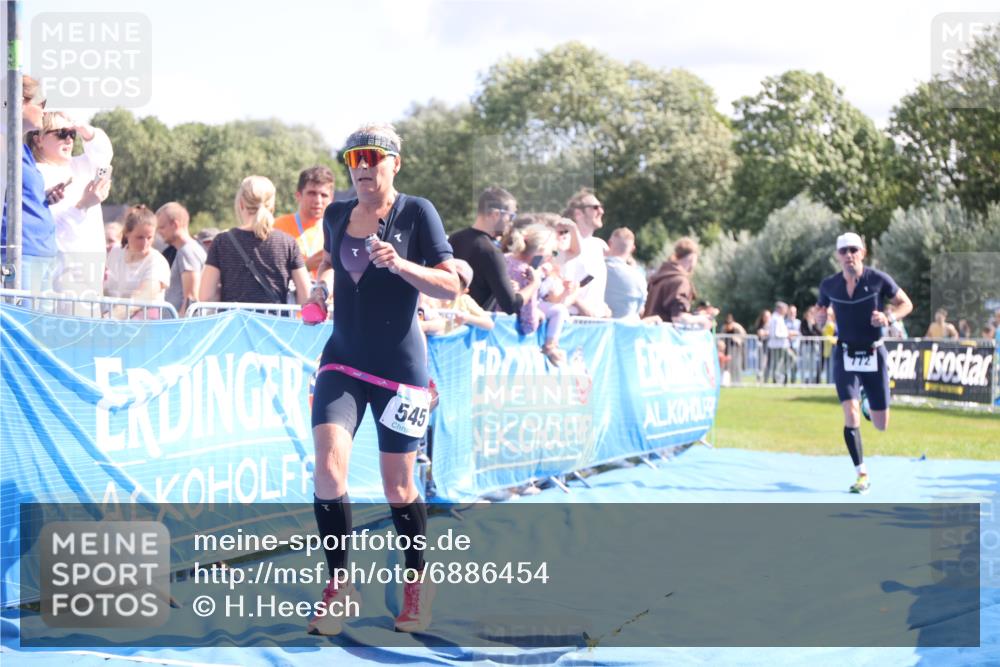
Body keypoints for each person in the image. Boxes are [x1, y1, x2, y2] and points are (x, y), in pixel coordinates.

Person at [302, 123, 459, 636]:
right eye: (355, 158)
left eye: (373, 156)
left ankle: (418, 580)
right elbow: (329, 261)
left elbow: (451, 285)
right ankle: (340, 586)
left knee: (398, 486)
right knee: (327, 469)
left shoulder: (418, 212)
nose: (363, 166)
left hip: (400, 368)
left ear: (395, 162)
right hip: (341, 359)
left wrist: (403, 264)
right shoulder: (337, 213)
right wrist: (321, 290)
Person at [816, 232, 912, 494]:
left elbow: (906, 303)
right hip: (845, 354)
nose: (849, 255)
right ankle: (862, 473)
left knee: (881, 425)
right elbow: (820, 311)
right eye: (844, 251)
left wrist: (889, 318)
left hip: (874, 354)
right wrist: (820, 319)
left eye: (854, 250)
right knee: (851, 414)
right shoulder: (829, 285)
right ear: (838, 256)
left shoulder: (877, 279)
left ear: (863, 252)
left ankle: (870, 404)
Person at [29, 111, 113, 315]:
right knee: (70, 336)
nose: (68, 139)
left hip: (91, 266)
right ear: (38, 139)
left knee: (89, 338)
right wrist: (83, 205)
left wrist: (85, 130)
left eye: (71, 134)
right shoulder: (35, 173)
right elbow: (52, 225)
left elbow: (105, 153)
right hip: (63, 268)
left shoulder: (80, 164)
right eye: (60, 133)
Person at [199, 176, 311, 306]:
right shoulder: (288, 243)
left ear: (241, 203)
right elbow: (306, 296)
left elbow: (206, 296)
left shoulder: (222, 242)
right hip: (273, 324)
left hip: (235, 324)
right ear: (272, 206)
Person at [2, 75, 63, 300]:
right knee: (20, 330)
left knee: (37, 330)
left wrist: (43, 197)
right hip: (19, 256)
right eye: (41, 104)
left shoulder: (22, 149)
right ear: (19, 101)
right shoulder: (2, 144)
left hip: (40, 254)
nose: (45, 112)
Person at [448, 187, 540, 314]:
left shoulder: (454, 238)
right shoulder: (491, 251)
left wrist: (503, 286)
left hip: (448, 320)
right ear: (496, 214)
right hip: (474, 327)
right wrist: (534, 284)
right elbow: (511, 305)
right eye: (511, 216)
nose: (511, 223)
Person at [502, 222, 566, 365]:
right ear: (541, 251)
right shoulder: (527, 273)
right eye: (552, 252)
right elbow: (528, 325)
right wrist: (534, 283)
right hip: (504, 342)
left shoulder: (504, 258)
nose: (551, 258)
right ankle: (551, 346)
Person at [104, 205, 171, 319]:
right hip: (112, 326)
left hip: (144, 327)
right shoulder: (115, 253)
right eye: (140, 237)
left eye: (149, 237)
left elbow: (143, 296)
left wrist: (110, 317)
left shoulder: (157, 261)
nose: (145, 243)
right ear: (127, 233)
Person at [274, 166, 336, 276]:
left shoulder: (336, 230)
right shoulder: (277, 227)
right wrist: (305, 266)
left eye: (324, 195)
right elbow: (270, 272)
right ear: (298, 195)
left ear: (331, 199)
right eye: (312, 193)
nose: (318, 200)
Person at [560, 188, 611, 317]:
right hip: (572, 322)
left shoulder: (598, 245)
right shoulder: (566, 243)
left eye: (601, 207)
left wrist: (603, 307)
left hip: (595, 325)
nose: (601, 211)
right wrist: (584, 309)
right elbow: (559, 283)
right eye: (595, 207)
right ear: (578, 214)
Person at [643, 237, 713, 328]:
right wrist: (702, 320)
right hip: (665, 338)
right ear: (692, 257)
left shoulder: (657, 278)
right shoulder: (681, 281)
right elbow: (678, 317)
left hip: (647, 336)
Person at [156, 202, 205, 317]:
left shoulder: (187, 251)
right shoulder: (189, 250)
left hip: (180, 327)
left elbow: (191, 298)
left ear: (175, 224)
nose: (159, 232)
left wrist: (179, 326)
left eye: (162, 227)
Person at [439, 259, 494, 333]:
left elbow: (489, 324)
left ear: (464, 291)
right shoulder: (427, 296)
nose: (447, 289)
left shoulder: (465, 301)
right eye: (445, 281)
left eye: (454, 288)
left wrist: (468, 318)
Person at [604, 227, 647, 319]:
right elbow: (641, 310)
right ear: (633, 249)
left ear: (610, 243)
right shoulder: (639, 277)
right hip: (628, 329)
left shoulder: (596, 269)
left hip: (599, 329)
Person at [766, 302, 791, 384]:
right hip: (777, 345)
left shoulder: (779, 318)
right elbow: (775, 334)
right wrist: (787, 335)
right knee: (777, 364)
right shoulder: (775, 318)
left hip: (782, 345)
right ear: (779, 309)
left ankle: (779, 377)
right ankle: (776, 379)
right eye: (785, 309)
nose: (786, 311)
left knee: (786, 361)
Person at [720, 313, 747, 384]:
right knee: (727, 366)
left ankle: (737, 381)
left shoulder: (737, 327)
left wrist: (738, 339)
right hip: (727, 350)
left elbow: (744, 334)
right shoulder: (724, 327)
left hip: (736, 349)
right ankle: (727, 381)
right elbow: (721, 338)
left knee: (737, 365)